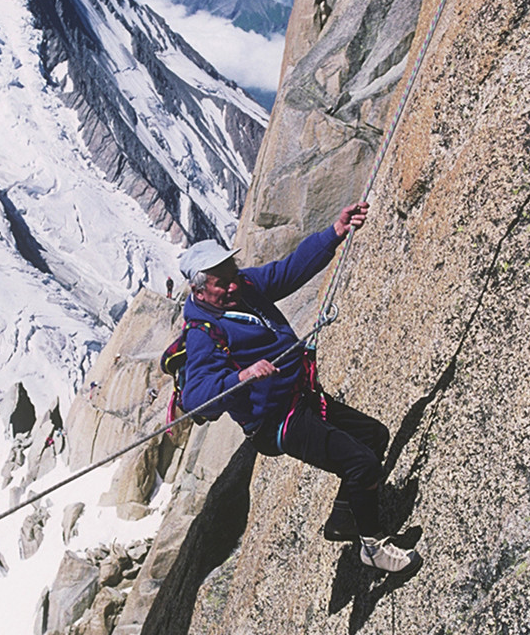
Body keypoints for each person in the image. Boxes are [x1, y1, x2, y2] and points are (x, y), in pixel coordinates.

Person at [177, 202, 420, 573]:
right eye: (220, 281)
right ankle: (372, 547)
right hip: (276, 422)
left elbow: (287, 271)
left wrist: (334, 233)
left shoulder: (245, 288)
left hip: (302, 398)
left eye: (232, 273)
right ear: (199, 291)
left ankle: (344, 519)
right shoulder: (204, 334)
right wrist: (239, 378)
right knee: (362, 463)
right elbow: (195, 398)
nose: (231, 284)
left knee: (374, 436)